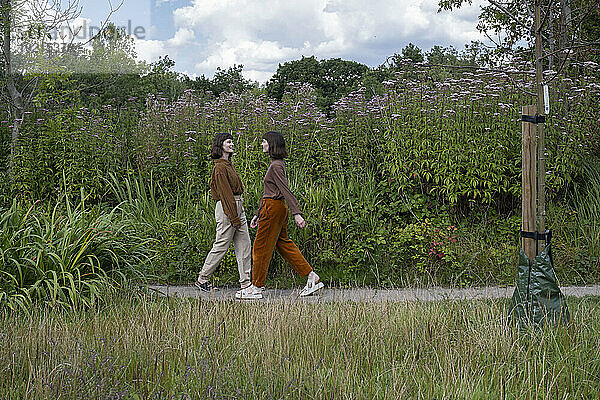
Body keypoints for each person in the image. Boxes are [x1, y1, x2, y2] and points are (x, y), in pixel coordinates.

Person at [236, 131, 324, 300]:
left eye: (264, 142)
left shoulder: (276, 165)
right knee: (283, 244)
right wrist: (258, 213)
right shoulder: (277, 164)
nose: (262, 144)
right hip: (275, 208)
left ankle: (256, 288)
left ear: (272, 144)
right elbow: (270, 191)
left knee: (260, 248)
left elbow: (284, 190)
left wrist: (296, 213)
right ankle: (311, 276)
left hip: (274, 208)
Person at [196, 132, 252, 297]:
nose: (232, 144)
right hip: (228, 208)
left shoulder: (228, 164)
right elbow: (226, 194)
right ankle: (202, 278)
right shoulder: (220, 167)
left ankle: (246, 283)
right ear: (220, 145)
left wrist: (238, 212)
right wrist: (234, 217)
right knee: (222, 244)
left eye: (232, 142)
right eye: (229, 142)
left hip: (236, 206)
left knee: (244, 244)